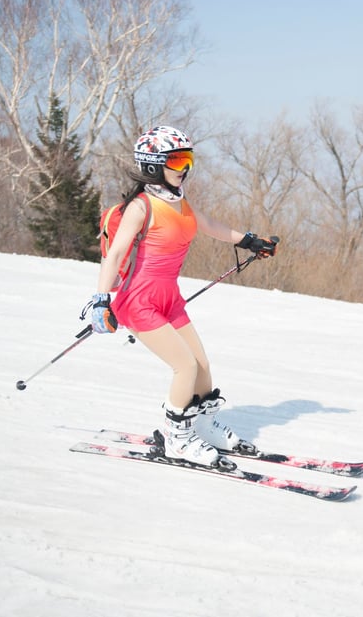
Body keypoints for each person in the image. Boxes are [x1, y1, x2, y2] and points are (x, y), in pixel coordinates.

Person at [85, 125, 277, 471]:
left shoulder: (179, 201)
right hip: (139, 301)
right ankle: (177, 440)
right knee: (184, 367)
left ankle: (203, 428)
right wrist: (100, 300)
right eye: (176, 160)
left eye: (187, 158)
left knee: (202, 367)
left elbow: (210, 225)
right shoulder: (141, 207)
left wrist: (250, 241)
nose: (185, 167)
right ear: (152, 165)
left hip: (169, 298)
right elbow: (114, 256)